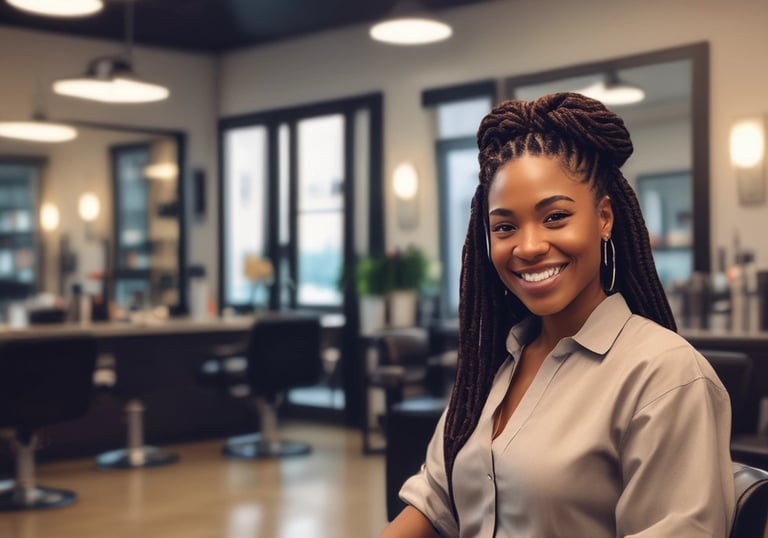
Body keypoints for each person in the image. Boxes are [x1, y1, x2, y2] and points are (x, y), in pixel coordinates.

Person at [380, 92, 735, 537]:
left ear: (603, 217)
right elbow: (435, 501)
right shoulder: (494, 364)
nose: (528, 247)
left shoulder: (664, 375)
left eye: (555, 217)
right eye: (505, 227)